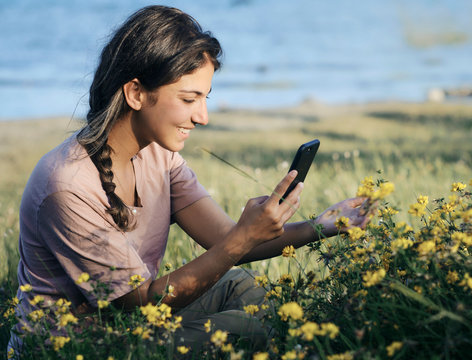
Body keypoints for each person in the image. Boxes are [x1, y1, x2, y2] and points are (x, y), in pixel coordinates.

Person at [9, 5, 370, 355]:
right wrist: (242, 238)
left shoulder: (160, 157)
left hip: (134, 324)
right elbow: (133, 299)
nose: (203, 116)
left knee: (238, 287)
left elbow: (228, 241)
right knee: (248, 328)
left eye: (205, 98)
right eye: (189, 98)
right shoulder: (66, 185)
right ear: (136, 93)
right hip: (81, 346)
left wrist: (321, 226)